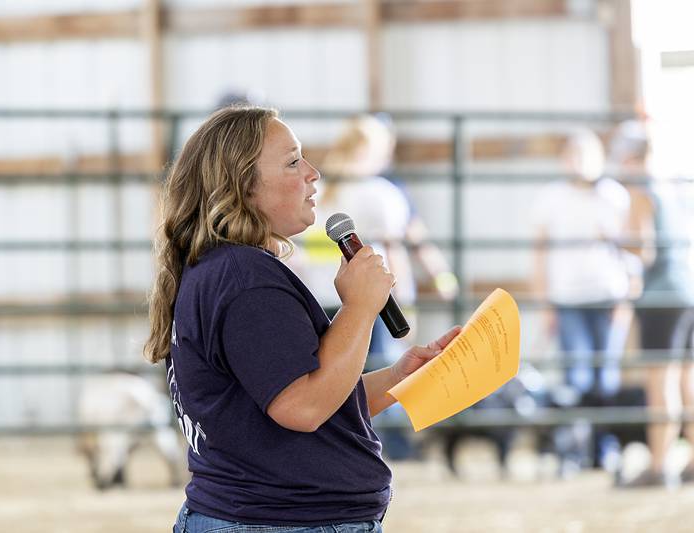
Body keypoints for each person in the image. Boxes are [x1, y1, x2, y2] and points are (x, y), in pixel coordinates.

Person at [144, 105, 460, 530]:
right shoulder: (246, 280)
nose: (313, 173)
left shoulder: (224, 269)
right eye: (293, 162)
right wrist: (360, 308)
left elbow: (300, 401)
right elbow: (304, 408)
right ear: (242, 184)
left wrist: (399, 377)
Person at [291, 114, 458, 459]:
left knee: (333, 372)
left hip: (322, 298)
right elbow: (394, 252)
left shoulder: (320, 192)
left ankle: (342, 444)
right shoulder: (381, 193)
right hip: (370, 297)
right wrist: (405, 301)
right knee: (382, 366)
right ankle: (392, 445)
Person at [531, 128, 632, 473]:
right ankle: (574, 449)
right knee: (577, 376)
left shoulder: (614, 196)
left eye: (585, 155)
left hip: (608, 294)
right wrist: (544, 301)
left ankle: (603, 447)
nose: (578, 162)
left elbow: (629, 251)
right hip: (568, 298)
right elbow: (540, 250)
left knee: (606, 377)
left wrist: (627, 299)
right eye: (572, 155)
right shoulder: (551, 197)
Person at [609, 120, 694, 488]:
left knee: (661, 384)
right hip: (687, 289)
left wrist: (611, 239)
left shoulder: (641, 190)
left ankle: (659, 467)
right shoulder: (673, 186)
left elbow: (642, 250)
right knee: (688, 381)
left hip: (661, 296)